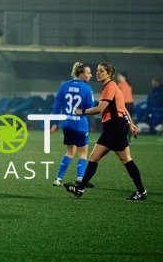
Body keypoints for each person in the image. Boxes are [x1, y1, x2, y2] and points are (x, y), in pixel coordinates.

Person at [64, 61, 146, 201]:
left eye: (101, 71)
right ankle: (80, 189)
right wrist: (131, 124)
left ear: (109, 74)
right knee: (100, 158)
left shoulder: (110, 87)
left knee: (123, 159)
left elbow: (100, 109)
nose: (97, 73)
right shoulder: (112, 86)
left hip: (114, 128)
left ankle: (141, 191)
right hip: (116, 127)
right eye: (97, 70)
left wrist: (82, 111)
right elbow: (123, 108)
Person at [49, 62, 95, 187]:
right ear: (81, 74)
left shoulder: (64, 86)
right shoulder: (87, 88)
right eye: (88, 73)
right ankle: (80, 179)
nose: (91, 75)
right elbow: (90, 108)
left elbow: (56, 105)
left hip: (67, 124)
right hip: (80, 125)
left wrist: (55, 123)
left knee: (70, 152)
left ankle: (58, 179)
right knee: (83, 153)